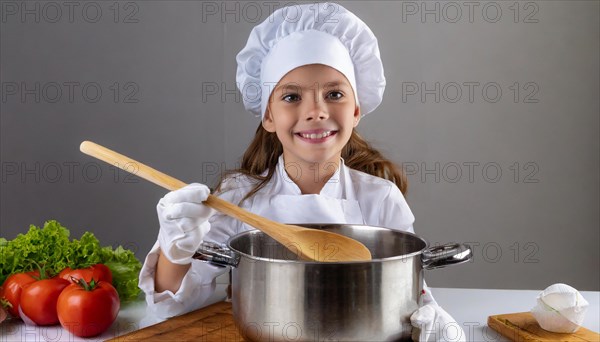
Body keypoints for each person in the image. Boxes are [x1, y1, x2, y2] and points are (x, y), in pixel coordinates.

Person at [138, 3, 465, 341]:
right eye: (292, 96)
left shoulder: (380, 198)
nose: (316, 112)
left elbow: (414, 299)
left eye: (334, 94)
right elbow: (173, 310)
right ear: (268, 116)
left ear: (355, 111)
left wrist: (438, 326)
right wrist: (175, 247)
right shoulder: (237, 197)